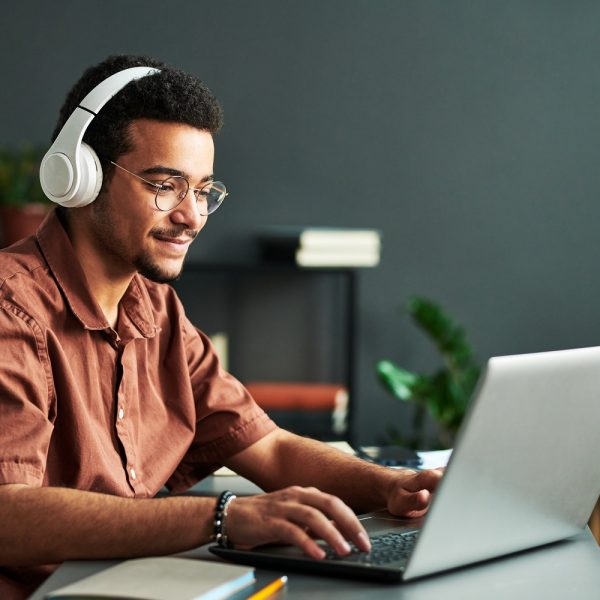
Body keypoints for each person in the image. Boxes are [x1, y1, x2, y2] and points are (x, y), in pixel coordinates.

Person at [0, 55, 442, 599]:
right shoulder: (10, 309)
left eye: (204, 189)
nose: (192, 215)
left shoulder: (156, 309)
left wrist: (395, 488)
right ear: (79, 177)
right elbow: (7, 515)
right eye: (165, 185)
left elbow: (270, 449)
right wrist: (224, 517)